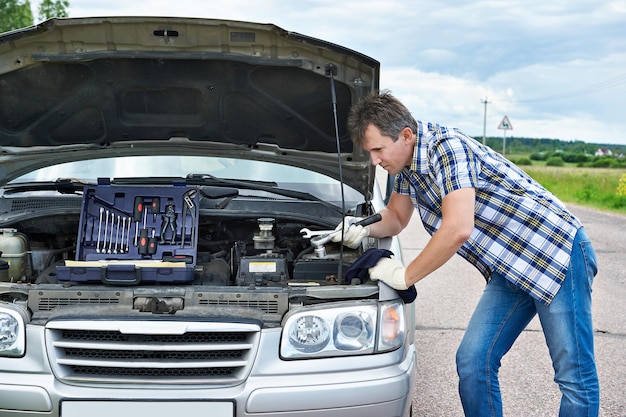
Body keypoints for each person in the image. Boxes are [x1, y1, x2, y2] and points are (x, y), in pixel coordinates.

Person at [333, 90, 599, 417]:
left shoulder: (448, 149)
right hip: (511, 267)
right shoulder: (405, 167)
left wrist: (404, 276)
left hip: (557, 253)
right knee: (474, 362)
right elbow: (397, 218)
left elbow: (458, 227)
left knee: (573, 375)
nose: (374, 160)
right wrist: (360, 228)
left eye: (377, 149)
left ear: (405, 136)